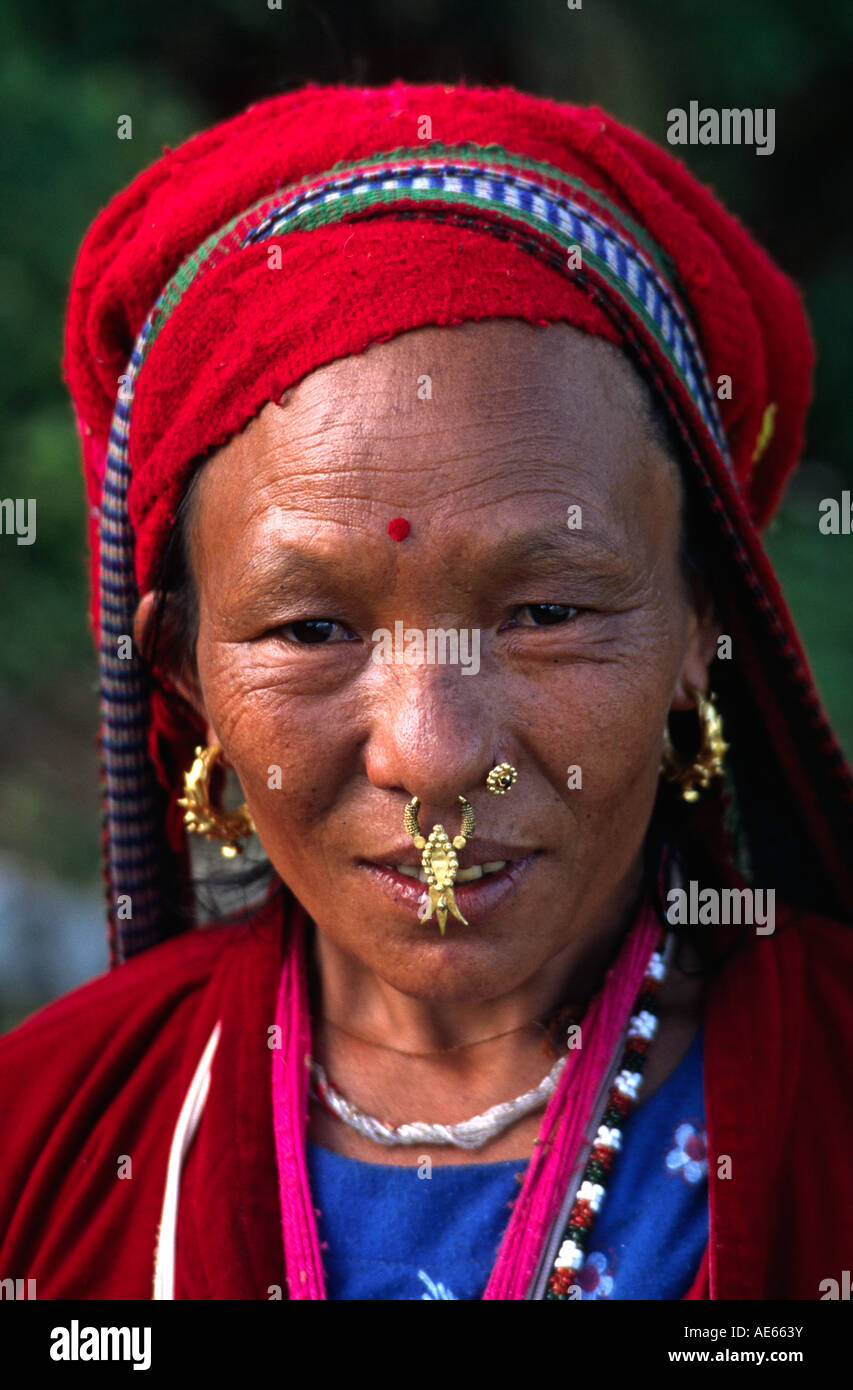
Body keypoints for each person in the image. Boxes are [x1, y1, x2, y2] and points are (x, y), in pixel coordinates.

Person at [0, 81, 850, 1301]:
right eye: (311, 627)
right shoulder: (40, 1154)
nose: (435, 752)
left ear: (696, 627)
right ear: (183, 673)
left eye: (546, 613)